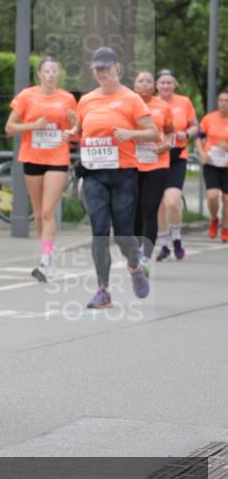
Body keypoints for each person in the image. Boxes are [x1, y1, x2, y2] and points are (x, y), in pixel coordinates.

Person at [64, 47, 158, 309]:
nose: (102, 73)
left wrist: (131, 135)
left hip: (123, 174)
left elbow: (152, 132)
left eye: (106, 68)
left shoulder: (131, 99)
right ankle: (103, 290)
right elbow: (80, 130)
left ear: (117, 68)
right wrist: (70, 132)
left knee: (123, 235)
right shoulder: (87, 100)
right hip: (94, 173)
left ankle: (134, 265)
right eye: (97, 69)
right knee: (100, 232)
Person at [5, 56, 77, 281]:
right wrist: (33, 125)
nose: (50, 75)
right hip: (32, 156)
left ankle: (46, 262)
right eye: (46, 71)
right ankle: (46, 254)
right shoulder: (27, 96)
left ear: (59, 74)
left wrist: (72, 129)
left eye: (54, 71)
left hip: (57, 158)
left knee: (48, 211)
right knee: (38, 214)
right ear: (39, 74)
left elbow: (77, 127)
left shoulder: (67, 98)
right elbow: (9, 128)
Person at [154, 69, 198, 261]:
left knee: (172, 201)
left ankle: (177, 238)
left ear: (175, 84)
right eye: (162, 82)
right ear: (156, 85)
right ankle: (164, 244)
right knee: (159, 205)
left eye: (169, 82)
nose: (165, 86)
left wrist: (186, 134)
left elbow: (195, 126)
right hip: (155, 156)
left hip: (177, 155)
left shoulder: (184, 102)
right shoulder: (148, 103)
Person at [132, 71, 173, 273]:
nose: (145, 84)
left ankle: (146, 256)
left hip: (157, 163)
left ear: (154, 85)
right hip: (132, 163)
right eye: (141, 81)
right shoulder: (127, 104)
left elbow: (171, 132)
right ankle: (137, 249)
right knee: (135, 210)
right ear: (134, 84)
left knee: (150, 209)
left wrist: (166, 144)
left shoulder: (163, 106)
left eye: (149, 81)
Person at [196, 91, 228, 241]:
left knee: (227, 199)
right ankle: (214, 219)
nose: (223, 103)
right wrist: (202, 153)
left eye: (226, 100)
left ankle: (225, 227)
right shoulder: (209, 119)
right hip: (212, 162)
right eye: (220, 100)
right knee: (212, 195)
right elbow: (198, 138)